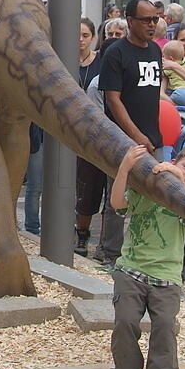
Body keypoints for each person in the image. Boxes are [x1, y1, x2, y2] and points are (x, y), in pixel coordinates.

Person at [104, 145, 185, 369]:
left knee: (165, 327)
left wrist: (176, 176)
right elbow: (117, 202)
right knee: (125, 322)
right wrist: (124, 168)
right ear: (174, 162)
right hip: (131, 270)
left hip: (166, 279)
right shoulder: (148, 188)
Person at [96, 0, 164, 266]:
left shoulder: (155, 52)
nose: (151, 24)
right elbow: (113, 99)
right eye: (146, 19)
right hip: (122, 140)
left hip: (152, 135)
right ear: (130, 21)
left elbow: (154, 93)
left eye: (155, 19)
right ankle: (110, 251)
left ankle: (145, 249)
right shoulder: (116, 53)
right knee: (118, 197)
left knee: (152, 195)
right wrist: (136, 135)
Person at [75, 18, 106, 256]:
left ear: (93, 37)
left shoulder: (100, 62)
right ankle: (77, 231)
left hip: (96, 133)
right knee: (79, 186)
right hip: (72, 130)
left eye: (85, 35)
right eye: (77, 35)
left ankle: (88, 235)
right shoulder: (64, 60)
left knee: (93, 186)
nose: (81, 40)